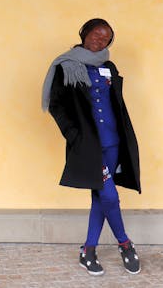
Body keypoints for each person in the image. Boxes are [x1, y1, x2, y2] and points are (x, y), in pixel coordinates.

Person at [41, 18, 141, 276]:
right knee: (109, 196)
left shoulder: (109, 66)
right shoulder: (66, 65)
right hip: (89, 146)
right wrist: (74, 136)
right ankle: (125, 244)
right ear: (84, 34)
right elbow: (57, 105)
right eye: (96, 35)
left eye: (106, 38)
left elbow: (115, 101)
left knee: (99, 198)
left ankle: (88, 250)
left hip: (113, 142)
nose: (100, 41)